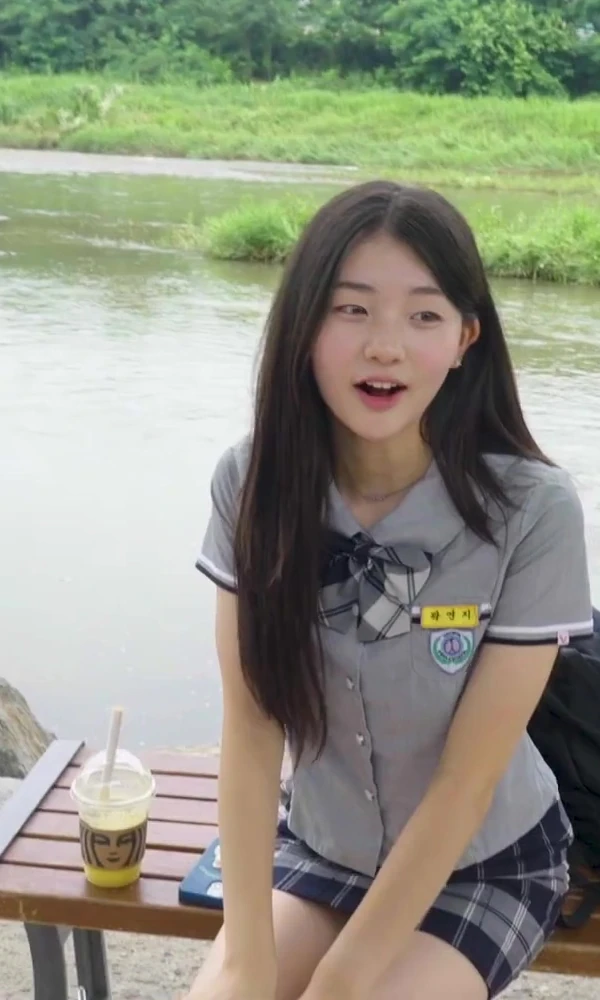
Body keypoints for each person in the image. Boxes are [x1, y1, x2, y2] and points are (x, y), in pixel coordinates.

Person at [190, 181, 593, 1000]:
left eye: (423, 315)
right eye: (352, 310)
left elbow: (465, 784)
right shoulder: (251, 483)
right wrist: (246, 964)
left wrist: (338, 982)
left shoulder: (534, 510)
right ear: (304, 326)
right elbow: (252, 727)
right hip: (321, 846)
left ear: (465, 339)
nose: (385, 347)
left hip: (484, 863)